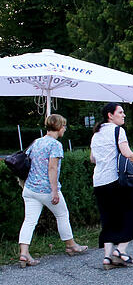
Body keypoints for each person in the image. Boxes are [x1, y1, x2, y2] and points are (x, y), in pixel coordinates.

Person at [17, 114, 87, 267]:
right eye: (64, 126)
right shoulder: (55, 145)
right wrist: (54, 191)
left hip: (30, 188)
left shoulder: (36, 142)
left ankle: (24, 253)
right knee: (62, 214)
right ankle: (70, 245)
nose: (65, 129)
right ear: (59, 127)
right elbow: (52, 168)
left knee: (29, 221)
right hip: (46, 189)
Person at [89, 102, 133, 269]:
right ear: (110, 115)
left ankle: (107, 257)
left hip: (99, 181)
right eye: (120, 112)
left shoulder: (96, 134)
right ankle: (120, 250)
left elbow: (92, 158)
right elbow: (127, 153)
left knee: (109, 218)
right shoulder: (117, 130)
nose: (123, 115)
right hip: (116, 181)